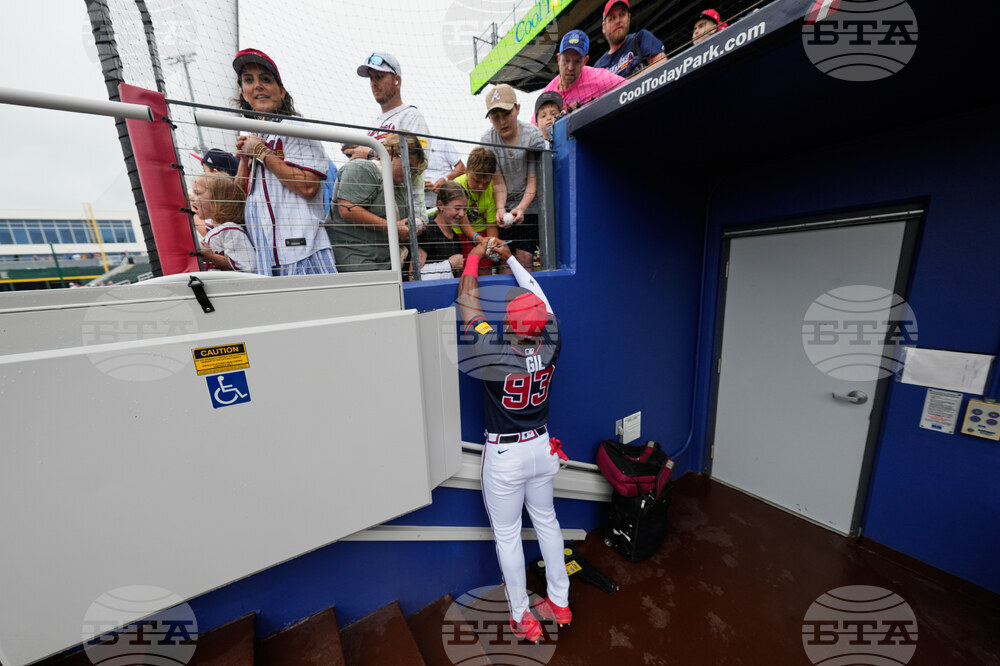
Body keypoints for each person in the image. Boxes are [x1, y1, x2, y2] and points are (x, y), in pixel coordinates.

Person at [456, 236, 572, 643]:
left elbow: (467, 300)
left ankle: (523, 617)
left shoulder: (492, 346)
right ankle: (560, 603)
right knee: (547, 523)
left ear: (510, 323)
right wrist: (509, 259)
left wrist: (474, 256)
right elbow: (540, 297)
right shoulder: (553, 340)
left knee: (508, 537)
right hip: (542, 448)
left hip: (505, 454)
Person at [231, 48, 336, 276]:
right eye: (249, 80)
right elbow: (238, 200)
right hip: (267, 256)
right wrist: (245, 158)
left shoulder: (294, 125)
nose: (257, 86)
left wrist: (261, 152)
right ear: (243, 93)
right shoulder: (257, 134)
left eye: (265, 79)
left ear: (281, 91)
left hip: (304, 252)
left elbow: (308, 186)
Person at [326, 133, 427, 272]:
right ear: (390, 154)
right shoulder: (362, 168)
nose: (409, 174)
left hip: (384, 264)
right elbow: (348, 209)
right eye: (408, 167)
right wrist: (394, 227)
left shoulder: (398, 185)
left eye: (414, 171)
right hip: (357, 263)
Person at [481, 84, 546, 272]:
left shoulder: (533, 136)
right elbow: (498, 181)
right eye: (496, 117)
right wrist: (501, 209)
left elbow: (532, 181)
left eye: (506, 114)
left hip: (530, 207)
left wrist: (521, 208)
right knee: (504, 260)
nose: (502, 122)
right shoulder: (487, 141)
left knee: (525, 258)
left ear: (517, 109)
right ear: (490, 118)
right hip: (505, 207)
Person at [347, 52, 430, 160]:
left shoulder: (411, 116)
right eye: (371, 78)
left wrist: (370, 153)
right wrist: (356, 153)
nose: (373, 83)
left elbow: (417, 162)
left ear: (397, 81)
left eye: (379, 77)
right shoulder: (375, 123)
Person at [540, 30, 625, 113]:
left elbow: (629, 86)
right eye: (566, 60)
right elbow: (536, 121)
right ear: (558, 59)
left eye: (577, 61)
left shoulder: (599, 77)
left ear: (585, 61)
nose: (570, 67)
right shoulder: (547, 95)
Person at [194, 174, 256, 273]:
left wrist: (211, 257)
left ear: (217, 200)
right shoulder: (216, 231)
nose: (193, 199)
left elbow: (248, 267)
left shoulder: (230, 229)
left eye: (197, 193)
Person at [594, 0, 666, 79]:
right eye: (612, 18)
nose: (618, 21)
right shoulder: (598, 66)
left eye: (622, 15)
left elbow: (662, 64)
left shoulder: (641, 38)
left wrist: (627, 83)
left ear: (628, 18)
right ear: (604, 27)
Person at [413, 180, 465, 280]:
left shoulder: (456, 238)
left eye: (464, 209)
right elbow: (414, 275)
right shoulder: (427, 233)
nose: (462, 214)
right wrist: (448, 265)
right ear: (441, 205)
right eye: (457, 208)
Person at [453, 146, 499, 256]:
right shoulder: (457, 186)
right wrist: (481, 240)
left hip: (482, 232)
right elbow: (463, 225)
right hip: (459, 232)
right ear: (467, 172)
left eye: (486, 182)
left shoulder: (492, 190)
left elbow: (491, 226)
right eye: (477, 181)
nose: (481, 186)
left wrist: (492, 244)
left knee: (486, 261)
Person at [424, 139, 466, 209]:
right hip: (421, 205)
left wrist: (445, 179)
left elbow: (461, 168)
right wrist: (419, 185)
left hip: (446, 204)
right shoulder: (408, 143)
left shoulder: (441, 142)